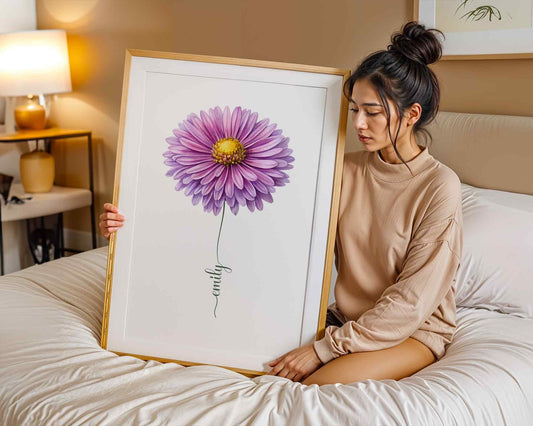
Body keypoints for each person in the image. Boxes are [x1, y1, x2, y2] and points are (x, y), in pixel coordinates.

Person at [99, 20, 463, 387]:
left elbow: (411, 303)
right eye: (354, 110)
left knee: (314, 388)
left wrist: (324, 350)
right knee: (244, 360)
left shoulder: (438, 186)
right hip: (346, 321)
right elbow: (261, 220)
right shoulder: (343, 170)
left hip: (413, 332)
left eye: (373, 112)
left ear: (412, 114)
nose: (359, 124)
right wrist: (134, 219)